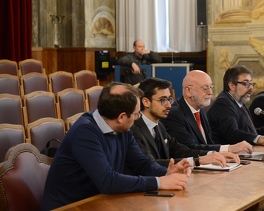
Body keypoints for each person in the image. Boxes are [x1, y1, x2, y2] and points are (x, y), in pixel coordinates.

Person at [42, 82, 191, 210]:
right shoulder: (85, 132)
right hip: (70, 206)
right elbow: (107, 181)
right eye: (136, 114)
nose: (137, 118)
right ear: (121, 117)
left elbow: (141, 163)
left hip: (100, 202)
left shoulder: (122, 129)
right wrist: (159, 182)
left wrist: (166, 172)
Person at [130, 77, 240, 170]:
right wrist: (198, 161)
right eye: (163, 100)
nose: (168, 105)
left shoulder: (159, 126)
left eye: (169, 99)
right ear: (146, 102)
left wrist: (212, 154)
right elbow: (151, 164)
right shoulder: (133, 129)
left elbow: (181, 150)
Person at [161, 70, 252, 153]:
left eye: (211, 87)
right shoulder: (174, 114)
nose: (210, 92)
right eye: (205, 88)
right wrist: (229, 149)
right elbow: (189, 149)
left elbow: (208, 143)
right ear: (188, 91)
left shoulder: (201, 109)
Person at [207, 65, 264, 145]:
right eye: (246, 83)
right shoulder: (223, 104)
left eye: (251, 83)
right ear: (232, 86)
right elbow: (232, 133)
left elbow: (249, 133)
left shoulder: (239, 102)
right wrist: (260, 139)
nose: (251, 87)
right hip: (227, 154)